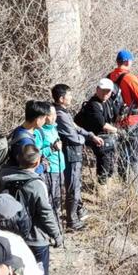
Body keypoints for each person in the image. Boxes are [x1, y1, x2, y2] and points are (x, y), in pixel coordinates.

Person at [0, 144, 63, 275]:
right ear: (37, 161)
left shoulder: (4, 178)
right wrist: (57, 235)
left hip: (11, 236)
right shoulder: (36, 184)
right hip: (35, 239)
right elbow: (45, 213)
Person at [52, 83, 103, 229]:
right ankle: (72, 220)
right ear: (61, 98)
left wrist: (90, 135)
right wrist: (85, 141)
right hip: (71, 152)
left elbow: (76, 128)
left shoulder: (63, 112)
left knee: (75, 185)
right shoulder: (60, 114)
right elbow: (73, 137)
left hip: (73, 151)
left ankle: (77, 212)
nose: (71, 97)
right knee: (73, 186)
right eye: (69, 94)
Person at [108, 50, 138, 182]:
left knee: (121, 154)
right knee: (135, 155)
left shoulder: (109, 76)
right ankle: (134, 187)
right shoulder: (130, 78)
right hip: (132, 119)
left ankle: (122, 182)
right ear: (127, 61)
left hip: (116, 121)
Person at [75, 79, 119, 184]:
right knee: (105, 154)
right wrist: (118, 130)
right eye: (103, 90)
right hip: (91, 135)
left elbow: (117, 116)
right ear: (97, 89)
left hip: (104, 135)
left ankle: (108, 180)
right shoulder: (93, 105)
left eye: (108, 91)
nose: (105, 93)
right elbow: (102, 125)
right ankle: (102, 184)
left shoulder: (109, 101)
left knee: (111, 157)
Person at [35, 105, 65, 237]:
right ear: (44, 116)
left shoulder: (54, 128)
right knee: (50, 202)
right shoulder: (39, 132)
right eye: (51, 115)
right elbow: (35, 154)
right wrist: (51, 149)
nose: (54, 117)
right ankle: (50, 231)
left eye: (55, 114)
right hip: (49, 171)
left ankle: (57, 228)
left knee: (57, 200)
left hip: (60, 168)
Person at [9, 101, 52, 171]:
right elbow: (30, 169)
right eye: (44, 118)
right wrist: (44, 166)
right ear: (37, 120)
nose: (45, 121)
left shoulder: (19, 130)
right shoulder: (26, 142)